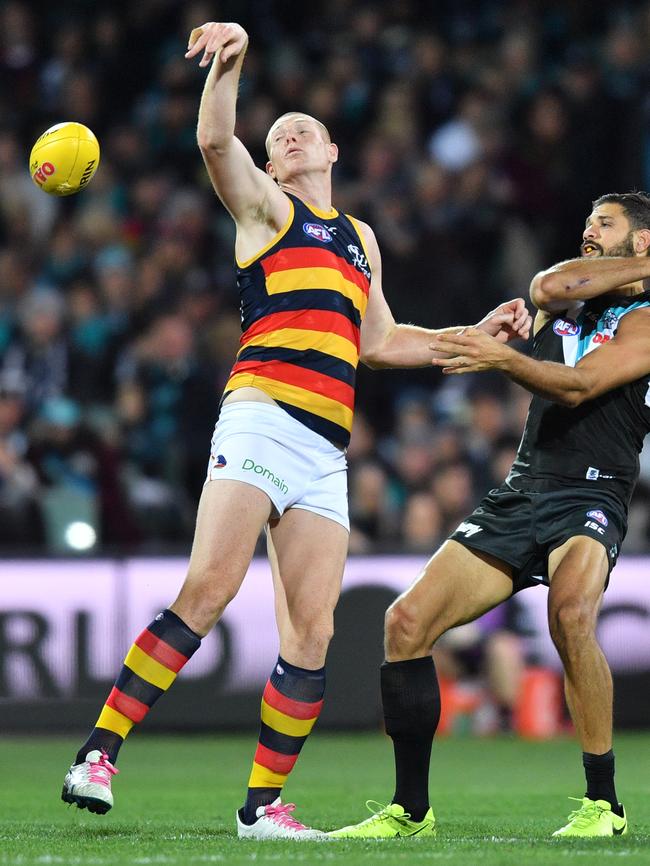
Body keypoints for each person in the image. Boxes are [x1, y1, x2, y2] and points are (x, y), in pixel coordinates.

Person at [60, 21, 529, 840]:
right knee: (208, 590)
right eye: (279, 138)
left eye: (304, 130)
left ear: (333, 152)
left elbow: (381, 343)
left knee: (311, 632)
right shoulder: (265, 209)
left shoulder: (360, 240)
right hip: (262, 413)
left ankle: (261, 807)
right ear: (272, 167)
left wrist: (477, 338)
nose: (292, 136)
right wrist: (231, 61)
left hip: (324, 449)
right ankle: (98, 753)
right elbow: (214, 138)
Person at [331, 190, 650, 840]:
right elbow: (548, 282)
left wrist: (506, 358)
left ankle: (602, 805)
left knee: (570, 615)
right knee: (407, 623)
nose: (589, 230)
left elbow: (584, 383)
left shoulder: (644, 318)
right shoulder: (569, 300)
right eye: (586, 220)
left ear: (640, 242)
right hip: (525, 489)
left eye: (606, 224)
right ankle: (410, 812)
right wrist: (509, 333)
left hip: (592, 490)